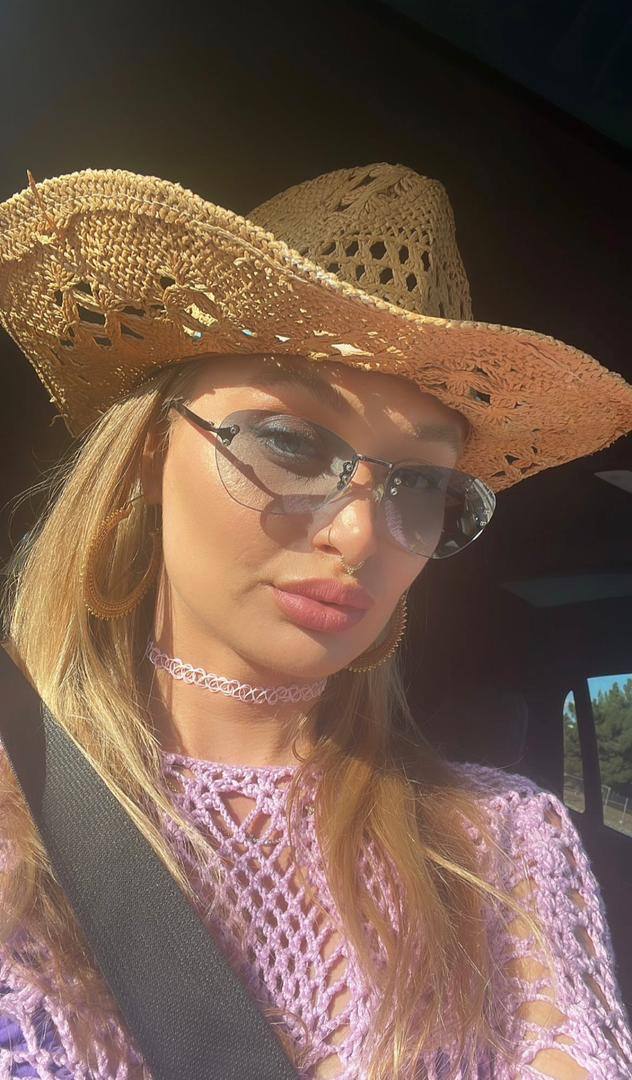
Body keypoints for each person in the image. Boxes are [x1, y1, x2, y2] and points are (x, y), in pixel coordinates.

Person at [0, 161, 631, 1080]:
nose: (361, 533)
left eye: (420, 484)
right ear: (144, 455)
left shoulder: (499, 850)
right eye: (290, 443)